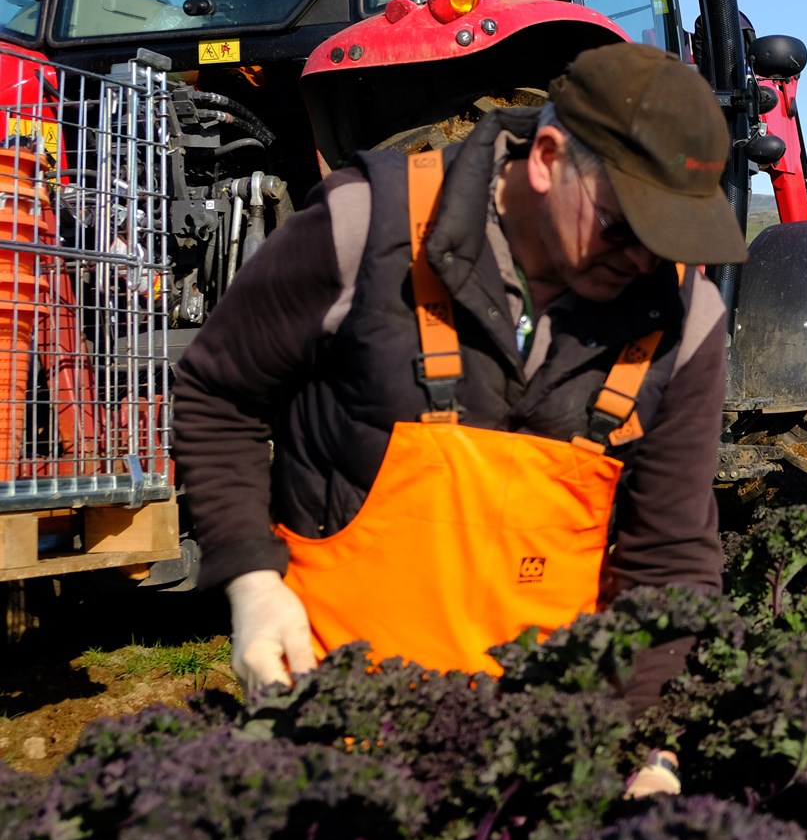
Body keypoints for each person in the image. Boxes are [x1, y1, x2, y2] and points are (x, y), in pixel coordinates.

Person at [176, 41, 741, 791]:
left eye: (670, 238)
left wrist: (652, 744)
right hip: (334, 734)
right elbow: (220, 392)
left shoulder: (687, 320)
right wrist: (250, 578)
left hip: (539, 761)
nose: (645, 260)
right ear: (547, 157)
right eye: (625, 225)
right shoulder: (364, 224)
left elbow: (669, 556)